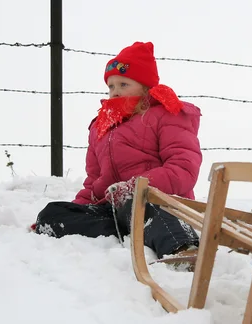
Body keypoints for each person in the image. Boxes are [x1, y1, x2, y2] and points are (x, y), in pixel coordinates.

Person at [32, 41, 201, 262]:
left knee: (145, 208)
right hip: (112, 209)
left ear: (145, 86)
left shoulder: (165, 115)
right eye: (111, 86)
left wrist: (135, 188)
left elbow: (183, 169)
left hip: (158, 202)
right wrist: (75, 211)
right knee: (52, 214)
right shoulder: (101, 128)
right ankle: (132, 232)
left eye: (123, 84)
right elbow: (93, 182)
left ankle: (183, 249)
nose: (115, 92)